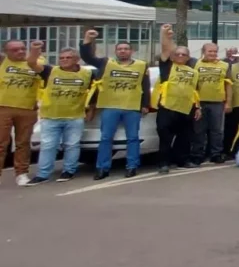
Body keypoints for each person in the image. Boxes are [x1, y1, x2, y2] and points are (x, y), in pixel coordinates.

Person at [79, 29, 150, 180]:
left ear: (131, 51)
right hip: (110, 106)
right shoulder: (106, 63)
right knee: (106, 138)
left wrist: (145, 104)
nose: (123, 51)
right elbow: (87, 57)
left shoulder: (142, 65)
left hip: (132, 107)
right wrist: (87, 40)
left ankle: (132, 166)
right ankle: (102, 168)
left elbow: (145, 85)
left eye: (126, 49)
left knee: (133, 138)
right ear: (115, 51)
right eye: (120, 49)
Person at [25, 42, 97, 185]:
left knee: (72, 145)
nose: (64, 60)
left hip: (75, 116)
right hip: (50, 116)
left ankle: (69, 171)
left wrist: (91, 110)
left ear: (77, 60)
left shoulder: (87, 74)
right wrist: (34, 49)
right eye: (62, 58)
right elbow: (32, 63)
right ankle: (43, 174)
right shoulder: (50, 71)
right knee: (48, 146)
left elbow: (94, 93)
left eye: (68, 57)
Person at [154, 24, 201, 174]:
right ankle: (163, 163)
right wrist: (165, 34)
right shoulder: (167, 66)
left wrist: (197, 107)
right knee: (165, 137)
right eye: (178, 54)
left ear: (188, 57)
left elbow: (193, 91)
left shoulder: (193, 72)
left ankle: (183, 160)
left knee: (185, 137)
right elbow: (165, 49)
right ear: (173, 56)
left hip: (186, 108)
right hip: (167, 108)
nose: (180, 56)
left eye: (183, 54)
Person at [0, 40, 41, 186]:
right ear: (6, 52)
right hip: (3, 108)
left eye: (23, 49)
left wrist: (35, 50)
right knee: (1, 143)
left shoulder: (34, 63)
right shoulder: (3, 62)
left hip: (27, 109)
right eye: (15, 50)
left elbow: (41, 71)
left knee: (23, 143)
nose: (20, 52)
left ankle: (22, 174)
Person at [192, 43, 232, 165]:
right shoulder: (195, 64)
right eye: (210, 51)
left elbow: (228, 85)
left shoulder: (224, 65)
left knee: (217, 130)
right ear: (203, 52)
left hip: (218, 102)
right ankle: (197, 155)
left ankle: (216, 154)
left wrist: (228, 102)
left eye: (215, 51)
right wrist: (195, 104)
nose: (213, 54)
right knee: (199, 130)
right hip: (200, 102)